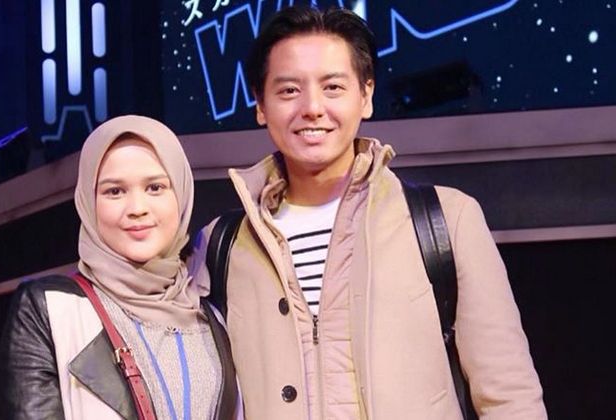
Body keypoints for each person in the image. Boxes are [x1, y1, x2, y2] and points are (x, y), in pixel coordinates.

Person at [190, 6, 547, 420]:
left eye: (333, 87)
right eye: (289, 90)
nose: (312, 107)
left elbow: (509, 397)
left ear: (366, 96)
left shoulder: (446, 221)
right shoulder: (221, 246)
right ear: (260, 105)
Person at [0, 115, 238, 420]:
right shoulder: (52, 311)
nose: (137, 208)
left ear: (182, 194)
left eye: (155, 187)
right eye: (115, 191)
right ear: (88, 202)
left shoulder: (214, 313)